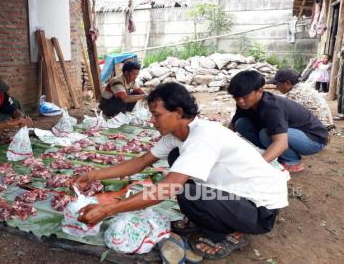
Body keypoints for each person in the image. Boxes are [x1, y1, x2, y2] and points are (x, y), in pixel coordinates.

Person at [71, 82, 289, 260]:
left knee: (183, 191)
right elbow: (141, 162)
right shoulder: (176, 135)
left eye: (157, 115)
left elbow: (165, 190)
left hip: (260, 211)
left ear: (178, 112)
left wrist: (110, 209)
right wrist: (91, 175)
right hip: (238, 196)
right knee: (177, 160)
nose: (152, 121)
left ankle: (230, 233)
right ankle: (213, 217)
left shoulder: (202, 138)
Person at [228, 70, 328, 173]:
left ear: (260, 91)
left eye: (245, 97)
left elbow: (281, 142)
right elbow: (232, 127)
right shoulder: (244, 103)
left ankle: (292, 162)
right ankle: (272, 153)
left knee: (266, 133)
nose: (240, 101)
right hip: (291, 134)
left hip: (314, 140)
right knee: (241, 123)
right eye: (236, 97)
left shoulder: (271, 107)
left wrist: (256, 166)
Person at [269, 68, 334, 130]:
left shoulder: (294, 94)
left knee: (271, 131)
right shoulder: (302, 88)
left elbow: (286, 118)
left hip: (319, 133)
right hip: (323, 129)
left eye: (277, 84)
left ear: (287, 83)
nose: (276, 87)